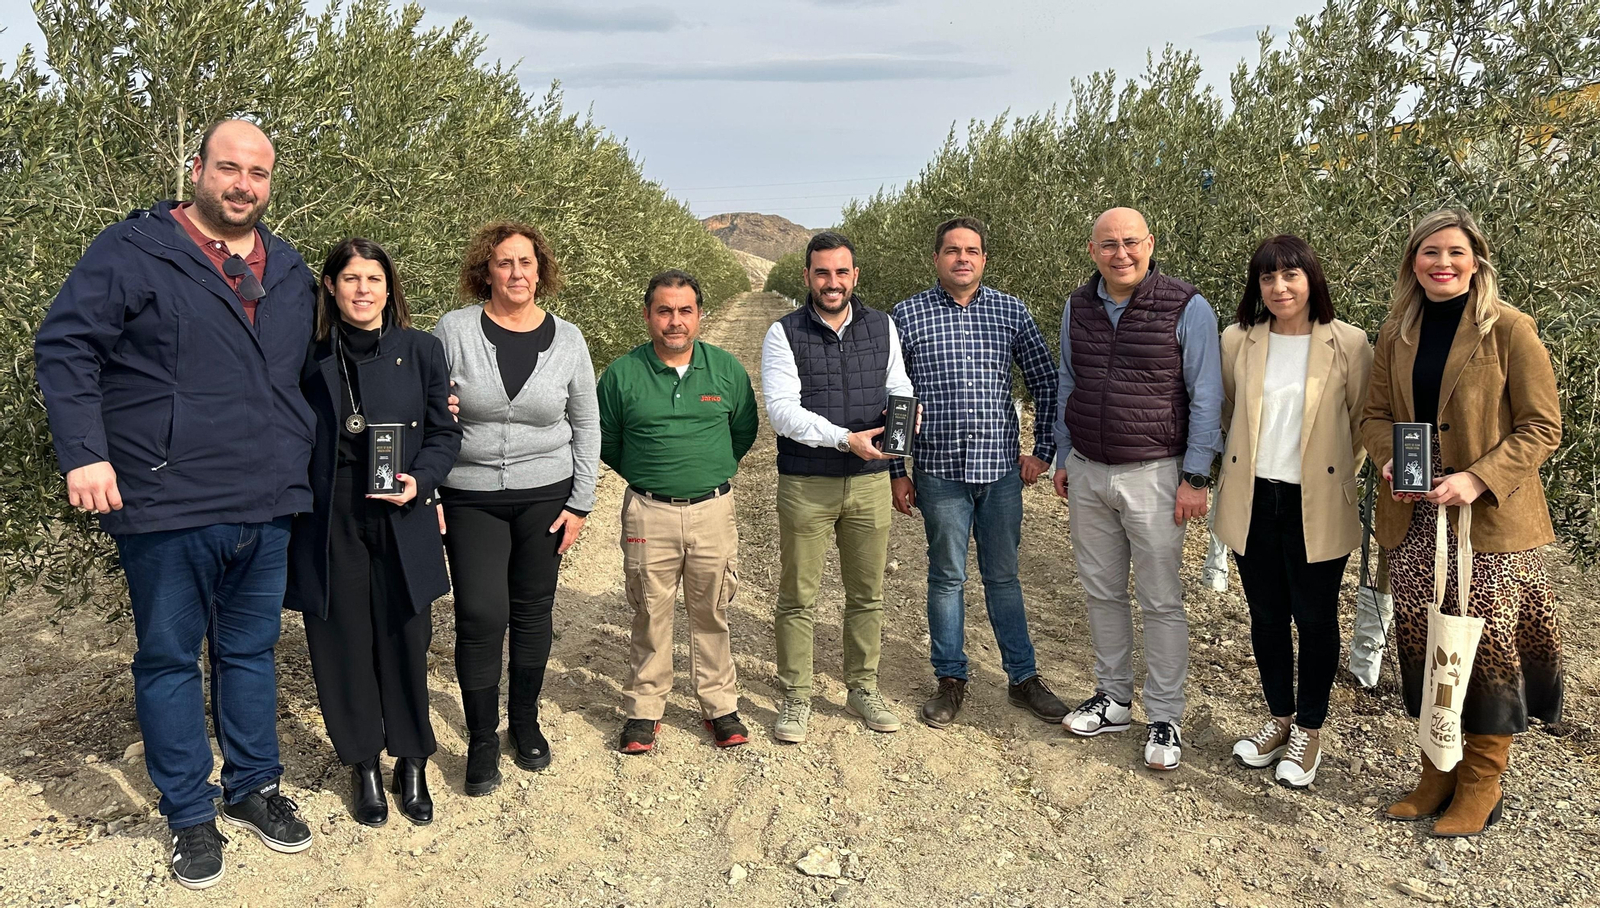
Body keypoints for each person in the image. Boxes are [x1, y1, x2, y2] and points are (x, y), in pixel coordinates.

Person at [34, 119, 314, 889]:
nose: (243, 185)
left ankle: (253, 787)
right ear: (197, 170)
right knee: (167, 659)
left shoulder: (287, 268)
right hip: (167, 499)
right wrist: (85, 452)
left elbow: (322, 367)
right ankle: (189, 812)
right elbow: (65, 347)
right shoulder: (133, 251)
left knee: (252, 654)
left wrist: (425, 398)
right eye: (229, 168)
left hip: (266, 499)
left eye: (258, 174)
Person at [1361, 209, 1562, 837]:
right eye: (1429, 254)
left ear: (1476, 260)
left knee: (1486, 649)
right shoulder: (1395, 333)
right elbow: (1371, 414)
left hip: (1487, 525)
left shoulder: (1510, 329)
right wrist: (1390, 456)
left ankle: (1482, 783)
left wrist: (1476, 478)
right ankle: (1436, 772)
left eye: (1454, 253)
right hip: (1417, 519)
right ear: (1412, 263)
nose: (1441, 264)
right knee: (1425, 646)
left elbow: (1542, 426)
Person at [284, 239, 461, 826]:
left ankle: (411, 760)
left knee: (406, 636)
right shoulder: (306, 354)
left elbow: (444, 433)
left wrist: (423, 482)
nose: (363, 290)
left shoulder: (422, 349)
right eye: (351, 278)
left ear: (391, 288)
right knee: (340, 642)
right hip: (328, 512)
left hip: (400, 507)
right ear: (330, 287)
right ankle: (361, 764)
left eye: (374, 278)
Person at [1052, 207, 1223, 771]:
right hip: (1088, 469)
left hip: (1155, 473)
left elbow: (1206, 396)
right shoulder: (1077, 307)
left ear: (1150, 244)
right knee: (1101, 591)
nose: (1119, 253)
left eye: (1130, 242)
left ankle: (1166, 716)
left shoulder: (1186, 306)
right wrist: (1062, 455)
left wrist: (1196, 476)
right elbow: (1068, 383)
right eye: (1108, 244)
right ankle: (1116, 698)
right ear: (1091, 248)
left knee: (1160, 598)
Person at [434, 222, 600, 795]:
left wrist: (581, 501)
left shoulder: (570, 339)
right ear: (486, 270)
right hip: (470, 495)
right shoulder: (454, 331)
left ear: (541, 270)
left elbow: (585, 421)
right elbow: (427, 413)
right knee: (480, 614)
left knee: (533, 611)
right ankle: (483, 735)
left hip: (545, 496)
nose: (517, 274)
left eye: (526, 263)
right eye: (504, 263)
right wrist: (431, 490)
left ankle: (523, 722)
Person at [890, 216, 1069, 730]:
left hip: (1001, 472)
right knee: (946, 577)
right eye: (952, 250)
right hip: (938, 472)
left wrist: (1044, 450)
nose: (962, 258)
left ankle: (1023, 678)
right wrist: (897, 471)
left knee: (1004, 577)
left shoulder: (1010, 311)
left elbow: (1045, 381)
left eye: (971, 250)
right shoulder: (907, 315)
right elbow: (894, 397)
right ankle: (950, 679)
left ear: (984, 259)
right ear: (937, 259)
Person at [1213, 235, 1373, 788]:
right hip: (1254, 498)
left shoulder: (1349, 342)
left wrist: (1324, 472)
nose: (1279, 288)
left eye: (1291, 276)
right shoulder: (1237, 340)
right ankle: (1279, 717)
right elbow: (1230, 409)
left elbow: (1359, 424)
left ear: (1312, 280)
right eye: (1267, 278)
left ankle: (1310, 729)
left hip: (1316, 500)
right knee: (1265, 616)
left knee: (1316, 617)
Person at [597, 270, 759, 754]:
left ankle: (720, 705)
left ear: (700, 316)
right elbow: (608, 442)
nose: (674, 321)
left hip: (713, 508)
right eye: (664, 311)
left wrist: (706, 469)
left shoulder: (726, 369)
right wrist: (653, 475)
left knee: (712, 608)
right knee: (650, 609)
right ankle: (643, 710)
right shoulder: (623, 374)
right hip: (649, 511)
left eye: (685, 311)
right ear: (648, 315)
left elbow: (743, 431)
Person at [761, 231, 911, 743]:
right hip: (807, 482)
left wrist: (901, 427)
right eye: (822, 273)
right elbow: (781, 411)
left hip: (868, 485)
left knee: (867, 593)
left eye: (841, 272)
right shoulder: (784, 333)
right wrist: (845, 440)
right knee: (798, 595)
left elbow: (899, 387)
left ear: (855, 276)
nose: (832, 282)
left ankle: (862, 687)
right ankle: (796, 695)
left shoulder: (882, 326)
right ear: (806, 276)